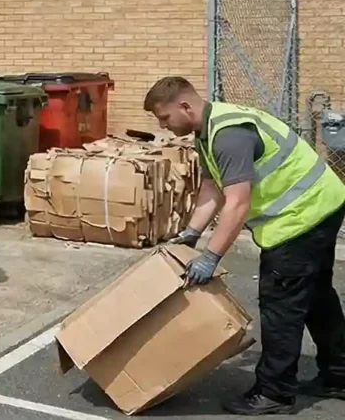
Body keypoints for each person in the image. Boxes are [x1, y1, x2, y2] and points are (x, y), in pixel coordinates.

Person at [144, 76, 345, 415]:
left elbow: (236, 203)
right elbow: (212, 189)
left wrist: (211, 256)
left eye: (164, 118)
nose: (163, 126)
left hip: (301, 219)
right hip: (322, 205)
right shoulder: (207, 132)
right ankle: (338, 376)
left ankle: (275, 393)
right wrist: (191, 234)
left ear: (185, 106)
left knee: (281, 304)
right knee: (315, 295)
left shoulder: (228, 136)